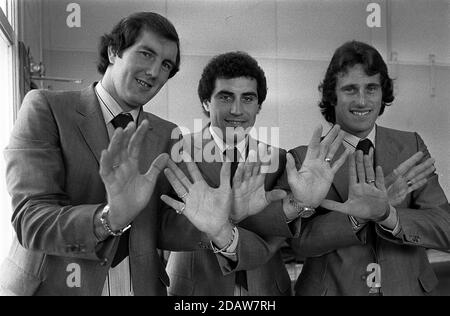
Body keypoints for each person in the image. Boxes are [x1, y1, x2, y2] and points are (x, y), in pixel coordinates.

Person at [0, 12, 236, 296]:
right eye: (146, 54)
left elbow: (161, 225)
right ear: (114, 51)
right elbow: (31, 220)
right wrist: (109, 218)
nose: (154, 72)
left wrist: (212, 226)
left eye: (166, 65)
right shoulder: (46, 108)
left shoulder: (168, 134)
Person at [160, 51, 349, 296]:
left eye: (248, 98)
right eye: (226, 97)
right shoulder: (177, 151)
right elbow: (162, 226)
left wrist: (301, 204)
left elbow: (278, 235)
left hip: (266, 288)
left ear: (259, 105)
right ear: (206, 102)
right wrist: (219, 225)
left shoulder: (279, 158)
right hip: (195, 289)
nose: (237, 110)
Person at [288, 40, 450, 296]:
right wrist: (356, 216)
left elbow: (445, 227)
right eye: (350, 89)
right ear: (332, 95)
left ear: (382, 93)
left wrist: (388, 214)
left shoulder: (411, 146)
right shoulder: (304, 158)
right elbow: (298, 244)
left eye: (371, 88)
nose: (362, 101)